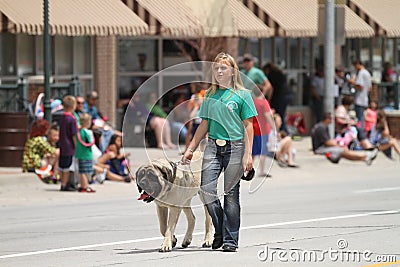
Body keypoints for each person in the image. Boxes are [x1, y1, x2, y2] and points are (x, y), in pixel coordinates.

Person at [182, 52, 257, 252]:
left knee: (231, 195)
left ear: (233, 71)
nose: (220, 71)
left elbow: (248, 126)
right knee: (206, 191)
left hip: (236, 147)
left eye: (224, 68)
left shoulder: (243, 95)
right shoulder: (209, 95)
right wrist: (190, 149)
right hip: (213, 147)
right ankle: (220, 231)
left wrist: (248, 155)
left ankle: (230, 241)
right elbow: (204, 124)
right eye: (216, 68)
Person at [311, 112, 378, 165]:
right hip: (320, 150)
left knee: (343, 151)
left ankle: (364, 157)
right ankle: (365, 156)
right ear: (326, 119)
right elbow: (327, 142)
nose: (331, 120)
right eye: (330, 118)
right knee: (342, 151)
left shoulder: (322, 126)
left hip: (323, 148)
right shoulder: (321, 128)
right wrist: (340, 146)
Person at [22, 119, 59, 183]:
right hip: (35, 163)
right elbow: (52, 150)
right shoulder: (39, 140)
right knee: (56, 154)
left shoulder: (31, 138)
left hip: (27, 163)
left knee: (49, 156)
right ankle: (54, 175)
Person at [252, 86, 274, 177]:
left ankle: (249, 169)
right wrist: (274, 127)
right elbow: (267, 116)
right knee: (263, 151)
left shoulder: (253, 102)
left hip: (253, 129)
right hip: (263, 130)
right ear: (263, 91)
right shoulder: (264, 102)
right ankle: (261, 171)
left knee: (252, 151)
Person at [262, 63, 290, 133]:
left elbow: (271, 88)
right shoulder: (279, 73)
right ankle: (284, 131)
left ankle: (283, 131)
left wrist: (269, 100)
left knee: (279, 115)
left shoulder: (272, 75)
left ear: (267, 70)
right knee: (282, 114)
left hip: (279, 97)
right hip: (286, 95)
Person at [58, 95, 78, 191]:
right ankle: (64, 184)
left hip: (62, 144)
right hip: (69, 146)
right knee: (67, 167)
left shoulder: (62, 118)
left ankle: (62, 181)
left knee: (61, 166)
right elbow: (74, 134)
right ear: (73, 106)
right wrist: (76, 145)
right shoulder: (72, 119)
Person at [348, 60, 372, 131]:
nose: (355, 68)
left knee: (359, 119)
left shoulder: (361, 73)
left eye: (355, 66)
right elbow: (369, 88)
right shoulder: (367, 73)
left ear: (358, 64)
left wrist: (352, 82)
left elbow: (360, 86)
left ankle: (360, 134)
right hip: (365, 99)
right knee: (362, 117)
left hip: (359, 99)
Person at [75, 113, 96, 193]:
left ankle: (82, 185)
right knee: (85, 172)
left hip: (79, 153)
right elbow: (90, 142)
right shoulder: (88, 132)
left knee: (81, 171)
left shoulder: (79, 132)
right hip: (86, 154)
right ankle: (85, 186)